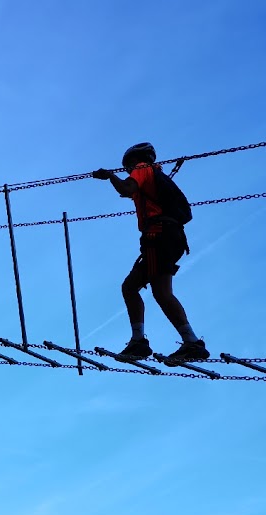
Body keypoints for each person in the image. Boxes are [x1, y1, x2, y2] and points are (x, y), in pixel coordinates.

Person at [92, 142, 209, 362]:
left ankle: (186, 343)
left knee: (155, 291)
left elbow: (126, 189)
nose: (128, 170)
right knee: (136, 288)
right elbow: (131, 193)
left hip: (159, 236)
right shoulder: (154, 176)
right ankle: (173, 341)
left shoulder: (142, 168)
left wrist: (109, 176)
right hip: (169, 237)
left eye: (128, 166)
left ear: (134, 160)